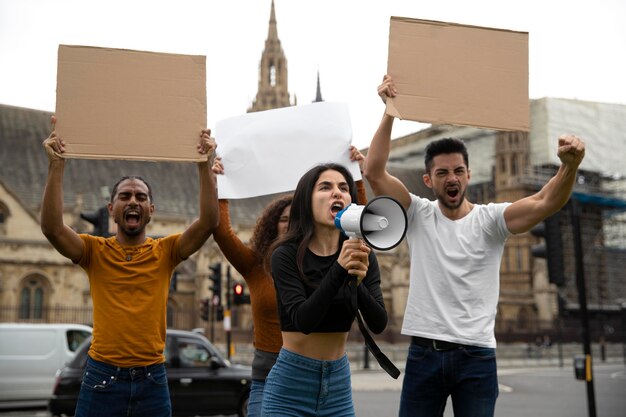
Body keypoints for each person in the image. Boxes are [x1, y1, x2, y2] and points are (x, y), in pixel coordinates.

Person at [364, 75, 586, 417]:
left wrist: (569, 166)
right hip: (425, 353)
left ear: (468, 175)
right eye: (442, 173)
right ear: (428, 180)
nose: (451, 178)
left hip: (477, 357)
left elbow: (545, 202)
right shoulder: (419, 214)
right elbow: (375, 172)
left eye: (458, 171)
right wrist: (390, 111)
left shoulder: (492, 219)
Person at [40, 116, 219, 417]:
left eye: (141, 197)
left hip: (152, 378)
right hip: (101, 378)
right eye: (124, 196)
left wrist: (204, 163)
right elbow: (53, 229)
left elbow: (207, 224)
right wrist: (57, 163)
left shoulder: (166, 251)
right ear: (111, 210)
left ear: (151, 210)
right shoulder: (94, 250)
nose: (133, 200)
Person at [211, 146, 366, 417]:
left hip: (325, 371)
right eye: (283, 219)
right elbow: (222, 232)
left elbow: (359, 228)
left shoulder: (327, 258)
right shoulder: (256, 267)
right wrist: (219, 187)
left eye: (294, 218)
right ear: (272, 225)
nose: (289, 224)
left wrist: (357, 178)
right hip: (271, 371)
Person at [261, 162, 388, 417]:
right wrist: (340, 269)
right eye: (325, 187)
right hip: (291, 384)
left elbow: (379, 323)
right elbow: (303, 319)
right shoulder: (285, 254)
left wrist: (357, 283)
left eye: (343, 187)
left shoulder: (362, 254)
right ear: (306, 201)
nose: (336, 192)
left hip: (338, 384)